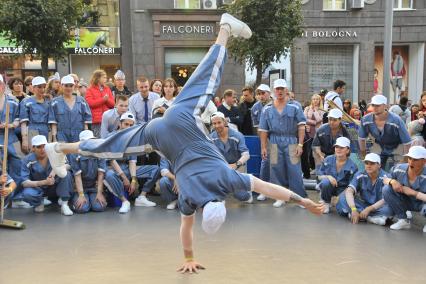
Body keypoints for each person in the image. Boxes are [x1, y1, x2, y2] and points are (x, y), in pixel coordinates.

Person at [43, 14, 323, 273]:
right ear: (204, 210)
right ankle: (60, 149)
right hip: (158, 134)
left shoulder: (228, 179)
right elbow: (186, 229)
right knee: (110, 146)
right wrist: (188, 257)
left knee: (206, 78)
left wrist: (303, 202)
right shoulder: (189, 198)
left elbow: (269, 188)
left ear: (221, 205)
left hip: (179, 117)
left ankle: (224, 29)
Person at [259, 78, 307, 207]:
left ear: (286, 90)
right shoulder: (267, 109)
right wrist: (263, 147)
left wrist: (300, 144)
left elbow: (301, 126)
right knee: (276, 169)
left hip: (291, 140)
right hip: (274, 141)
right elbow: (263, 130)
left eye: (282, 88)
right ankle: (280, 197)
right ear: (273, 91)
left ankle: (300, 198)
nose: (279, 91)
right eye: (277, 89)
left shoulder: (295, 106)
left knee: (295, 170)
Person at [103, 112, 160, 213]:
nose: (128, 127)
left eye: (131, 125)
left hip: (127, 168)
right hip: (114, 168)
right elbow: (112, 160)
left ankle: (141, 197)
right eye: (126, 124)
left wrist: (133, 180)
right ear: (120, 124)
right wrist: (124, 178)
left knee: (155, 169)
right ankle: (124, 201)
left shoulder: (133, 139)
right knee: (109, 175)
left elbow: (132, 161)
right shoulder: (111, 137)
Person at [21, 135, 74, 215]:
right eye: (39, 147)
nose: (42, 150)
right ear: (33, 148)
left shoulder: (55, 153)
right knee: (27, 193)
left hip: (55, 186)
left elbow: (68, 166)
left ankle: (64, 204)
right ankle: (39, 202)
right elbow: (24, 182)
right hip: (39, 189)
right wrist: (44, 182)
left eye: (44, 146)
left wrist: (54, 172)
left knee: (66, 174)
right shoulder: (26, 160)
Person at [336, 153, 392, 225]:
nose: (368, 166)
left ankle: (362, 216)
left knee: (390, 209)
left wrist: (369, 209)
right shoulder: (360, 174)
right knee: (343, 197)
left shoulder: (386, 177)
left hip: (379, 207)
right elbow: (349, 191)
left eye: (372, 163)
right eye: (366, 163)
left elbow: (386, 199)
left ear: (379, 165)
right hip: (362, 205)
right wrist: (353, 209)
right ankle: (370, 218)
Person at [358, 94, 411, 168]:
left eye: (378, 105)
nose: (375, 107)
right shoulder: (365, 119)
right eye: (373, 105)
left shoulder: (396, 120)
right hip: (378, 146)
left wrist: (405, 159)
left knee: (398, 170)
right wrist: (363, 155)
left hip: (398, 147)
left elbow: (407, 142)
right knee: (373, 167)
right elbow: (361, 138)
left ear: (385, 106)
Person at [383, 146, 426, 232]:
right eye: (410, 158)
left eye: (416, 159)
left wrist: (414, 193)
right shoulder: (399, 169)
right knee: (387, 189)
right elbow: (385, 178)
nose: (411, 162)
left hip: (422, 204)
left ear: (424, 161)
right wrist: (392, 181)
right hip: (405, 201)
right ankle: (403, 220)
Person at [316, 137, 358, 214]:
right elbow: (319, 176)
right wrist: (328, 177)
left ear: (348, 150)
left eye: (342, 148)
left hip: (343, 190)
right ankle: (326, 201)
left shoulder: (353, 166)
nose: (338, 149)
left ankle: (340, 203)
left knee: (343, 211)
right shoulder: (328, 159)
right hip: (329, 187)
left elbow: (351, 186)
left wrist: (339, 198)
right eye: (336, 147)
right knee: (326, 182)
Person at [69, 130, 107, 213]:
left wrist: (99, 193)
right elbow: (77, 176)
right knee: (82, 209)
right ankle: (78, 199)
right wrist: (81, 195)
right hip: (80, 188)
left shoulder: (99, 152)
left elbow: (101, 174)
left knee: (99, 207)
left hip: (94, 187)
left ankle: (91, 199)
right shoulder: (74, 154)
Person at [49, 75, 92, 143]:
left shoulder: (81, 101)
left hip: (78, 134)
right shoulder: (55, 102)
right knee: (63, 153)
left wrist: (85, 136)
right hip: (61, 135)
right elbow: (54, 122)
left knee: (77, 153)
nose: (68, 88)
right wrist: (54, 138)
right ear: (61, 86)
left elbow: (86, 121)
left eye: (71, 86)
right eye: (66, 85)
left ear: (74, 86)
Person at [251, 84, 272, 201]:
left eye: (263, 93)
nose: (261, 96)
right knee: (265, 163)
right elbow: (257, 126)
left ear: (269, 93)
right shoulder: (255, 107)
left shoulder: (275, 104)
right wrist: (263, 140)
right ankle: (263, 190)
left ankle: (278, 191)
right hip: (264, 139)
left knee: (277, 164)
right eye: (258, 93)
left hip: (277, 138)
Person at [0, 74, 22, 186]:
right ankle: (5, 196)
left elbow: (18, 119)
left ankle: (17, 197)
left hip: (12, 137)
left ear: (3, 85)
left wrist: (11, 125)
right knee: (2, 168)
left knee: (19, 163)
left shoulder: (13, 101)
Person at [20, 76, 51, 153]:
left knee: (46, 154)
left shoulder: (48, 102)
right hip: (32, 130)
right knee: (33, 154)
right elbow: (24, 122)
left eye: (44, 87)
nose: (42, 89)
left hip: (46, 130)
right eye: (39, 87)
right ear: (33, 88)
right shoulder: (26, 102)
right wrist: (24, 139)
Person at [85, 70, 115, 137]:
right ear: (98, 78)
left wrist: (106, 100)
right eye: (104, 77)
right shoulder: (90, 89)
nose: (106, 79)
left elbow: (113, 104)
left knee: (108, 139)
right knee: (98, 140)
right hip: (96, 121)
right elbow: (90, 103)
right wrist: (103, 99)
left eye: (106, 77)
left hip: (108, 120)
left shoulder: (107, 89)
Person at [302, 94, 325, 179]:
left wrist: (315, 111)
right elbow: (304, 119)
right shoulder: (307, 108)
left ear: (320, 100)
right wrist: (314, 122)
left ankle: (316, 168)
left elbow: (320, 119)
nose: (315, 101)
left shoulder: (322, 110)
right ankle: (308, 170)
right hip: (308, 133)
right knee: (307, 152)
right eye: (314, 99)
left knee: (316, 152)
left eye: (317, 99)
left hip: (317, 133)